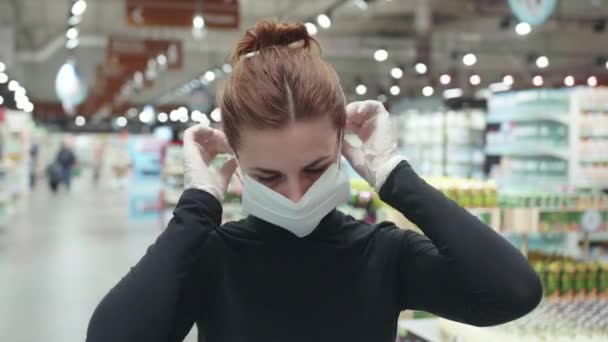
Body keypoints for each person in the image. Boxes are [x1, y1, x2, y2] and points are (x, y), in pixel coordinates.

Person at [86, 20, 542, 342]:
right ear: (236, 162)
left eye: (314, 168)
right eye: (269, 175)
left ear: (343, 144)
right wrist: (197, 206)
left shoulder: (384, 254)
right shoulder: (210, 258)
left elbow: (513, 292)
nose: (297, 194)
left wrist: (394, 176)